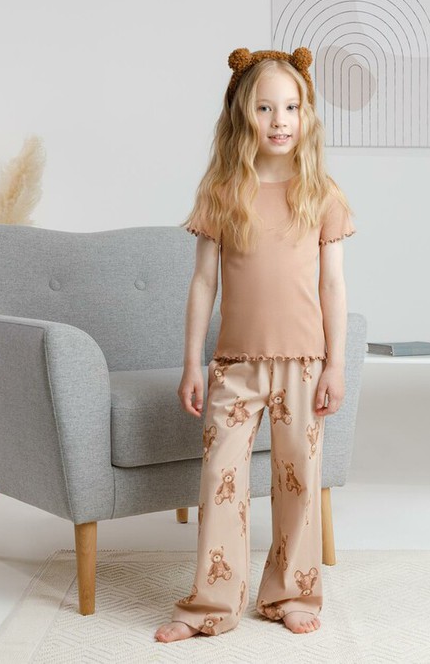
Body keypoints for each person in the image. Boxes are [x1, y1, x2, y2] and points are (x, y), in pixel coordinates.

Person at [155, 46, 356, 643]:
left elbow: (333, 286)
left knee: (299, 481)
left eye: (291, 107)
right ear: (242, 114)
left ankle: (291, 593)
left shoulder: (322, 194)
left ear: (306, 115)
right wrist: (191, 362)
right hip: (234, 364)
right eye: (265, 107)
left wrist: (336, 365)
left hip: (304, 364)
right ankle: (210, 604)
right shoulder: (223, 191)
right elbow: (203, 283)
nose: (279, 120)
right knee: (221, 479)